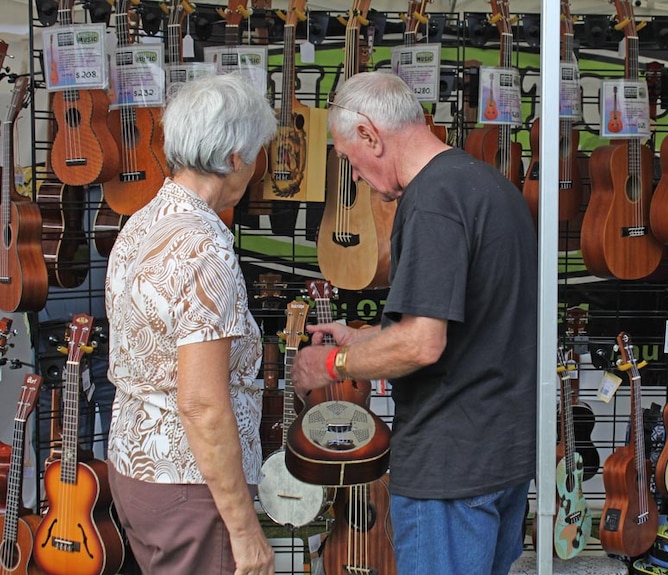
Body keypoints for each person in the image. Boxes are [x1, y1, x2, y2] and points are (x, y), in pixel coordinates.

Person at [292, 71, 538, 575]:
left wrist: (333, 363)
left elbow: (423, 344)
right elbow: (473, 326)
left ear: (368, 134)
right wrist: (370, 339)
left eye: (347, 159)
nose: (354, 176)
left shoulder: (432, 202)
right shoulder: (488, 184)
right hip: (501, 453)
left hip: (450, 467)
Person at [104, 73, 277, 575]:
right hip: (190, 485)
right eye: (258, 154)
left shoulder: (143, 221)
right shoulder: (205, 246)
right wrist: (245, 532)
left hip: (137, 469)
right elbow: (201, 403)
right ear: (236, 157)